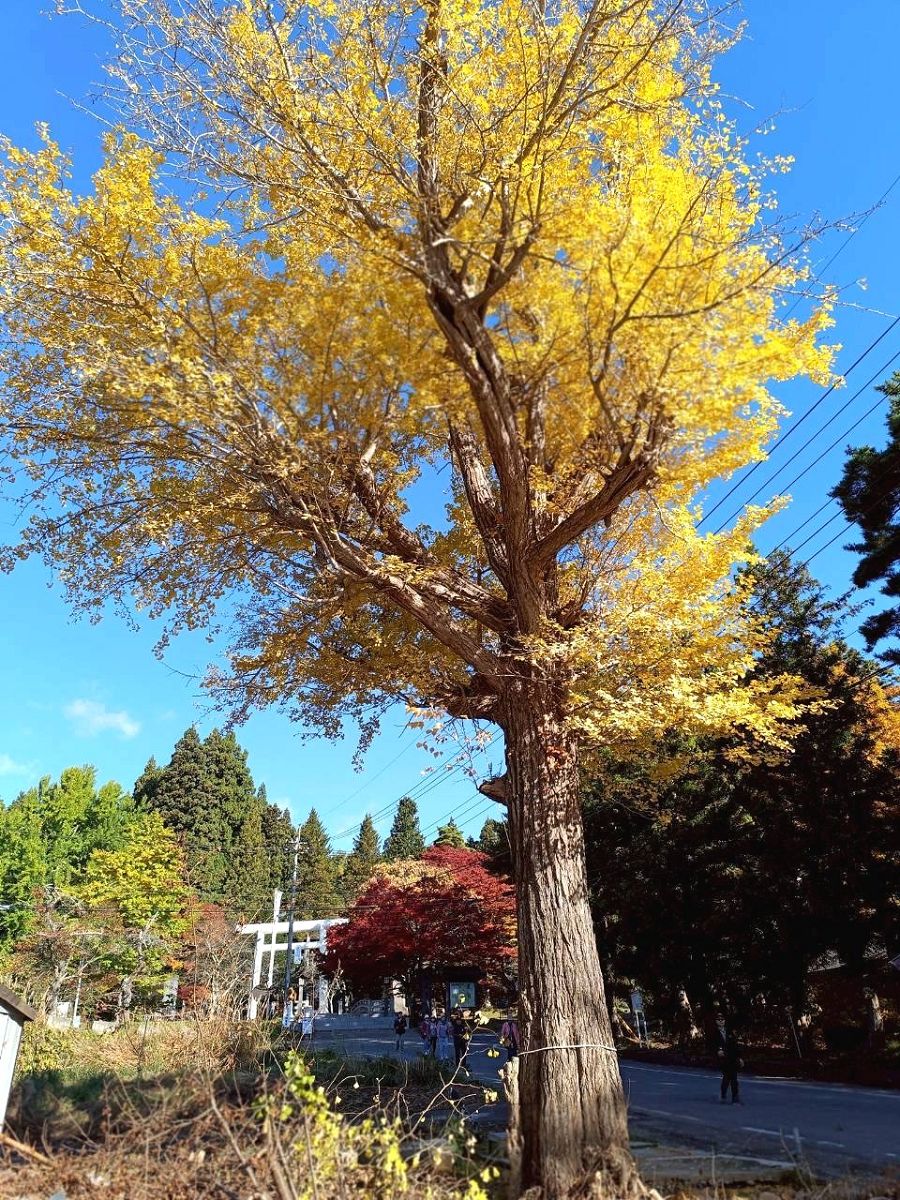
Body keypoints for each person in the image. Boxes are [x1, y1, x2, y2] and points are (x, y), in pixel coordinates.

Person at [713, 1013, 744, 1104]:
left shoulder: (729, 1032)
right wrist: (717, 1051)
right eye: (718, 1020)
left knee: (733, 1077)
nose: (721, 1021)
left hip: (732, 1057)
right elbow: (711, 1045)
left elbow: (735, 1046)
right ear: (716, 1021)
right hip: (722, 1059)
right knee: (727, 1077)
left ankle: (735, 1097)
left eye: (722, 1019)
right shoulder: (714, 1033)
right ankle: (723, 1094)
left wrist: (739, 1057)